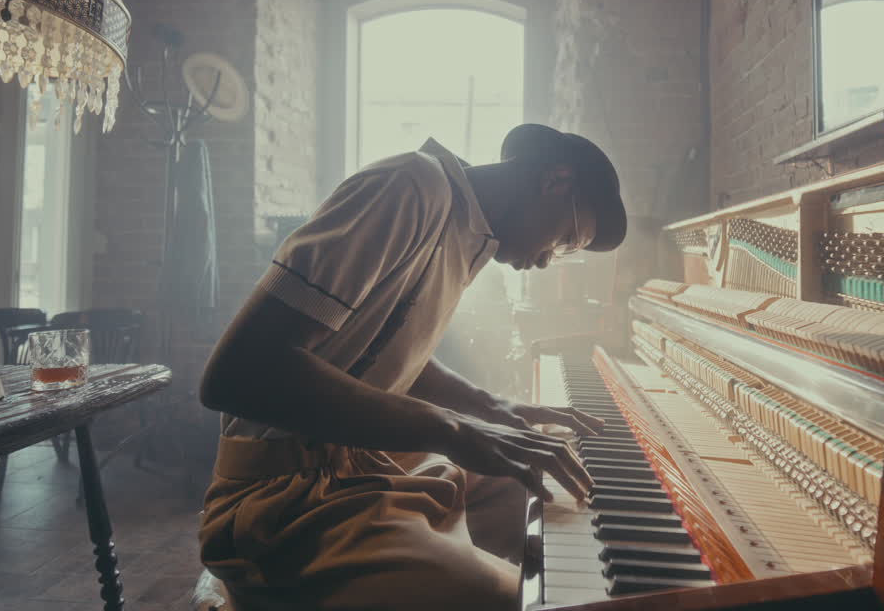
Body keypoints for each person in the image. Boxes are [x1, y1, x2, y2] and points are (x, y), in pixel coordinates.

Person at [197, 123, 628, 609]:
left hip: (358, 463)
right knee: (523, 600)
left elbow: (384, 353)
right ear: (555, 180)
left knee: (535, 489)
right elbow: (238, 372)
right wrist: (455, 430)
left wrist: (494, 407)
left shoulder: (465, 231)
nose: (550, 259)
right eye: (567, 238)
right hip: (282, 499)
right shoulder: (409, 186)